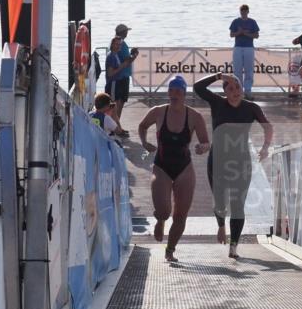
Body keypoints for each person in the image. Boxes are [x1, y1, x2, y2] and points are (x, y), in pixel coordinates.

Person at [194, 71, 273, 258]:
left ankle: (234, 246)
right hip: (218, 160)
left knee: (238, 205)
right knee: (220, 202)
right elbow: (198, 88)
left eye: (238, 87)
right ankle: (221, 225)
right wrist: (219, 76)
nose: (235, 91)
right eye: (231, 88)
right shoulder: (217, 103)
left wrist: (265, 147)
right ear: (225, 92)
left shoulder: (251, 108)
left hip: (241, 161)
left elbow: (267, 126)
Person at [137, 76, 210, 262]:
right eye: (171, 90)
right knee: (164, 210)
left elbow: (205, 141)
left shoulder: (194, 116)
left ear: (184, 93)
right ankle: (160, 220)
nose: (173, 94)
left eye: (178, 91)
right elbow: (142, 125)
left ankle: (170, 249)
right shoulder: (158, 112)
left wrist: (203, 147)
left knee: (180, 216)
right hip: (162, 166)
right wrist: (144, 142)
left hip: (184, 168)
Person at [229, 5, 260, 100]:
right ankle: (238, 91)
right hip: (238, 47)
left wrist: (246, 33)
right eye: (242, 11)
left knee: (249, 70)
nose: (243, 13)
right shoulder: (235, 21)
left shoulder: (252, 22)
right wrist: (239, 32)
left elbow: (256, 35)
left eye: (245, 11)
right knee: (237, 70)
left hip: (249, 48)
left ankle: (248, 91)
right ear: (240, 12)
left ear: (248, 12)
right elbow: (231, 34)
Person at [105, 37, 135, 123]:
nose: (118, 46)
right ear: (112, 45)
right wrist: (122, 66)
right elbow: (110, 73)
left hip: (117, 83)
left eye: (119, 44)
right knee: (113, 106)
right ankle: (113, 127)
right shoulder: (111, 56)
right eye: (116, 44)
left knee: (117, 106)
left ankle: (116, 126)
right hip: (113, 83)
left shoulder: (115, 55)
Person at [113, 23, 138, 119]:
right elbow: (127, 60)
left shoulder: (115, 42)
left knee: (120, 100)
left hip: (120, 76)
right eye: (126, 31)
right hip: (121, 76)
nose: (127, 33)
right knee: (119, 101)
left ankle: (116, 123)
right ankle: (116, 123)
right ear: (123, 32)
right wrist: (134, 55)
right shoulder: (121, 43)